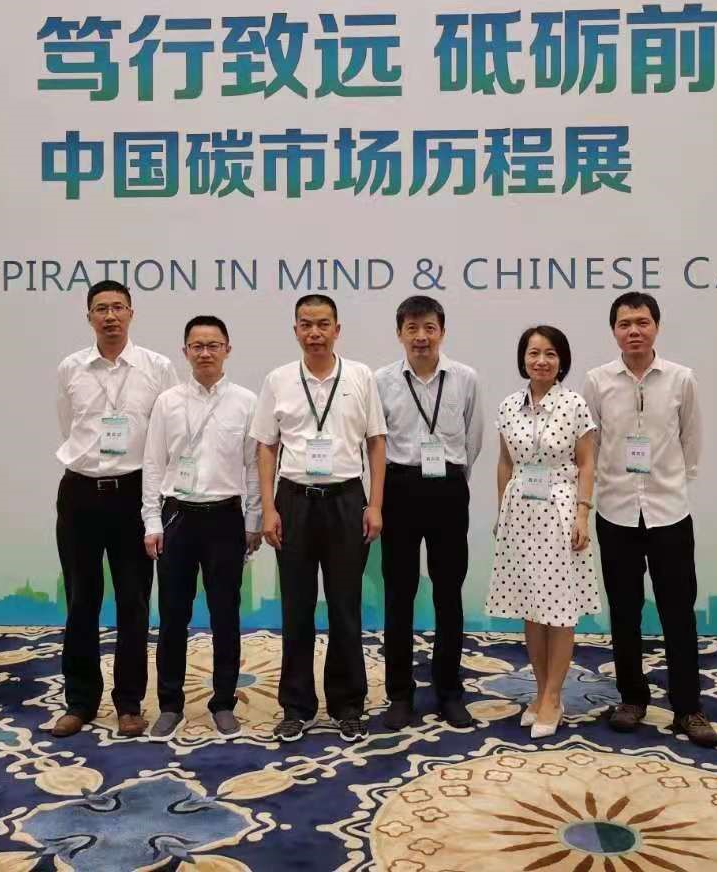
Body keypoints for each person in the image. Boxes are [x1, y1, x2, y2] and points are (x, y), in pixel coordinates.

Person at [581, 291, 717, 748]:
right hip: (616, 512)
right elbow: (591, 445)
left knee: (678, 612)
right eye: (624, 324)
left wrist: (674, 483)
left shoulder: (681, 379)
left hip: (669, 513)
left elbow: (691, 441)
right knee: (624, 611)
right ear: (614, 331)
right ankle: (632, 698)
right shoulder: (597, 381)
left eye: (642, 322)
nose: (634, 331)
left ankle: (688, 707)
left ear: (656, 327)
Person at [251, 294, 387, 742]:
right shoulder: (278, 379)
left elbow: (376, 442)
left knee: (346, 607)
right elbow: (266, 446)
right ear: (295, 330)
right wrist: (269, 507)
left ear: (337, 329)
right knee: (297, 608)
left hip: (347, 500)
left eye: (323, 324)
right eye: (306, 325)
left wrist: (375, 504)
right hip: (294, 501)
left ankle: (348, 704)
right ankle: (297, 706)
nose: (314, 333)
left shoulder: (361, 376)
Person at [52, 280, 177, 738]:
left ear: (131, 313)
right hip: (80, 494)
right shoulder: (71, 368)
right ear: (89, 316)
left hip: (133, 495)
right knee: (81, 601)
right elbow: (68, 425)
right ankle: (80, 702)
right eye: (101, 309)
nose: (110, 316)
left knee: (133, 602)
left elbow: (167, 434)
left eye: (118, 307)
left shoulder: (157, 368)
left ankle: (129, 704)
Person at [142, 315, 262, 741]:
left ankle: (223, 702)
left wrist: (253, 520)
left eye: (213, 345)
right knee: (173, 616)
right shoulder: (167, 402)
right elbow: (153, 464)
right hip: (177, 517)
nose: (205, 353)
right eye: (197, 346)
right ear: (185, 352)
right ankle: (170, 704)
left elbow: (253, 467)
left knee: (225, 615)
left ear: (228, 349)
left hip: (226, 518)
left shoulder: (246, 402)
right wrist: (151, 520)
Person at [485, 325, 601, 738]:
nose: (541, 360)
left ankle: (553, 697)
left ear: (561, 360)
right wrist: (501, 512)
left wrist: (582, 515)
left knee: (559, 610)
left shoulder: (574, 404)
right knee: (531, 608)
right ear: (523, 359)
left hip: (560, 512)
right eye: (534, 353)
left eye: (550, 353)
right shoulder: (508, 406)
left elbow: (586, 463)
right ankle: (539, 691)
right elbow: (505, 462)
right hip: (520, 514)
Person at [374, 296, 484, 729]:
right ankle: (400, 695)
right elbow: (376, 442)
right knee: (398, 594)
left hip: (448, 491)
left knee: (448, 593)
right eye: (412, 328)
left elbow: (473, 438)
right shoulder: (381, 380)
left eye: (429, 328)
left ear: (442, 331)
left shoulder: (465, 378)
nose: (421, 337)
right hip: (399, 488)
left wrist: (453, 478)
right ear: (399, 333)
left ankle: (449, 692)